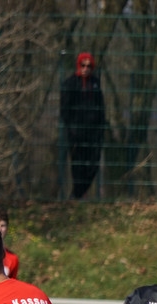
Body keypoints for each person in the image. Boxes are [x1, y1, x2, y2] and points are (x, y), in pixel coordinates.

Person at [60, 52, 106, 199]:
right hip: (76, 133)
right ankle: (77, 195)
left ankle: (78, 194)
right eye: (83, 65)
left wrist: (100, 127)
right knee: (78, 164)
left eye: (89, 66)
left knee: (93, 163)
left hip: (93, 133)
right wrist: (71, 128)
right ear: (78, 65)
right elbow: (64, 109)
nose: (86, 68)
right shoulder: (70, 84)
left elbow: (100, 107)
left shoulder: (95, 83)